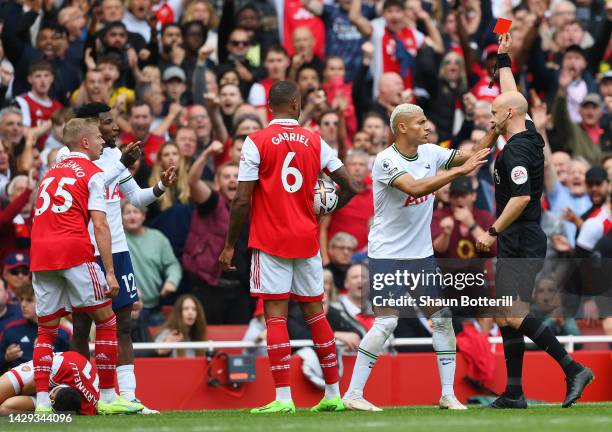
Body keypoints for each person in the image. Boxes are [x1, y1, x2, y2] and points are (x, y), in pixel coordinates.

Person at [341, 96, 491, 410]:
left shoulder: (431, 151)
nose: (427, 126)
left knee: (442, 319)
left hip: (420, 256)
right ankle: (353, 395)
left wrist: (497, 127)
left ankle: (448, 394)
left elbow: (472, 155)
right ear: (402, 128)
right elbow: (417, 188)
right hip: (387, 255)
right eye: (421, 122)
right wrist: (460, 171)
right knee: (386, 324)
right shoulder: (385, 160)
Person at [219, 80, 358, 414]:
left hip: (270, 241)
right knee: (315, 314)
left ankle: (283, 399)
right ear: (296, 104)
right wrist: (324, 209)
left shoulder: (256, 141)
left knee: (276, 317)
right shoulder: (315, 140)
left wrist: (228, 245)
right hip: (307, 241)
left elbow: (240, 200)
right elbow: (351, 185)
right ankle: (333, 394)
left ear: (270, 107)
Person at [475, 33, 593, 409]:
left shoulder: (517, 153)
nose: (490, 119)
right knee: (506, 314)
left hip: (520, 236)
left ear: (507, 116)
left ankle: (572, 367)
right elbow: (514, 99)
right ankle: (514, 393)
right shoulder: (527, 129)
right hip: (520, 237)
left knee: (511, 313)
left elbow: (522, 197)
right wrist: (504, 58)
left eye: (494, 113)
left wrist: (492, 231)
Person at [61, 103, 175, 414]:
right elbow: (89, 187)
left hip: (118, 250)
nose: (116, 128)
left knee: (124, 323)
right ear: (90, 129)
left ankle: (129, 397)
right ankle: (83, 397)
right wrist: (123, 162)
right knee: (82, 325)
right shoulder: (66, 158)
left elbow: (136, 197)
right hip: (85, 249)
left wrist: (162, 186)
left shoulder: (112, 156)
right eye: (109, 123)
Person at [29, 118, 141, 414]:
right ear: (85, 142)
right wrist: (109, 271)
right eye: (98, 138)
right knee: (107, 320)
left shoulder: (51, 173)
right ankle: (107, 398)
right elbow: (100, 225)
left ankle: (42, 403)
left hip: (40, 254)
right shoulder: (92, 173)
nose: (104, 142)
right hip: (73, 250)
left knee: (47, 330)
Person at [123, 202, 182, 327]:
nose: (132, 216)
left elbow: (172, 264)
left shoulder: (158, 238)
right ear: (120, 216)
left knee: (157, 345)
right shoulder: (115, 239)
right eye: (128, 213)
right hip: (124, 309)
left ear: (144, 216)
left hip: (154, 308)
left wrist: (172, 281)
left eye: (136, 212)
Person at [0, 351, 99, 415]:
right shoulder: (57, 370)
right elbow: (26, 389)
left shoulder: (89, 408)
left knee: (5, 409)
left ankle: (47, 415)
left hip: (70, 373)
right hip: (52, 369)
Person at [0, 283, 70, 372]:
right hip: (19, 383)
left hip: (52, 381)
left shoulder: (62, 333)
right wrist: (6, 358)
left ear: (43, 302)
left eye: (29, 300)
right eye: (21, 300)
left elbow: (71, 366)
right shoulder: (10, 330)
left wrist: (51, 355)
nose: (23, 304)